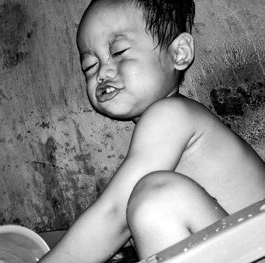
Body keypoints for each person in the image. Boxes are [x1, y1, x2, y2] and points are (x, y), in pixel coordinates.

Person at [40, 0, 265, 262]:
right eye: (90, 66)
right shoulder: (161, 132)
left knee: (156, 200)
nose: (102, 72)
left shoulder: (170, 116)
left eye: (119, 51)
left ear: (179, 53)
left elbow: (114, 214)